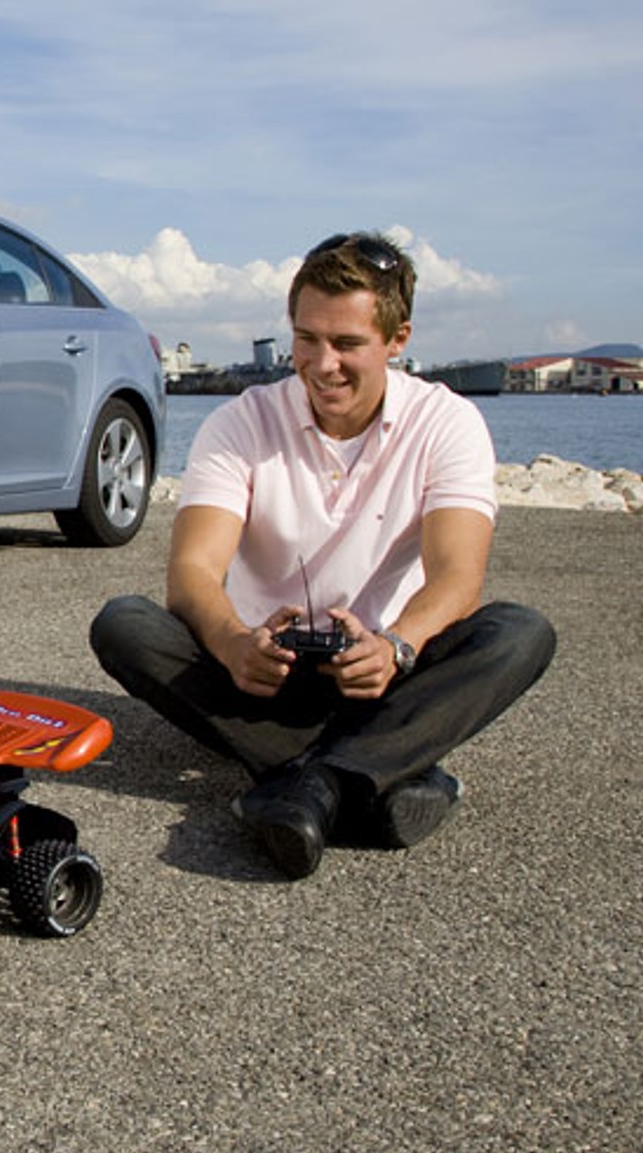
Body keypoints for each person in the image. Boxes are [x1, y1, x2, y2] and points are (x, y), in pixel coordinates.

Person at [89, 232, 554, 880]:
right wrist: (233, 643)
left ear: (397, 339)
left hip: (385, 671)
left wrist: (396, 645)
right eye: (306, 339)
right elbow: (192, 573)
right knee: (124, 623)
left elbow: (457, 579)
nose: (321, 363)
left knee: (519, 632)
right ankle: (382, 773)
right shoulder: (241, 423)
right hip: (265, 672)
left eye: (346, 343)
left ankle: (314, 784)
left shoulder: (446, 423)